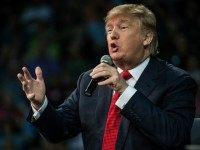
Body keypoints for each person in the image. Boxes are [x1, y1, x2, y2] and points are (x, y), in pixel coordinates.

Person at [17, 4, 197, 150]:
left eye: (123, 27)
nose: (113, 34)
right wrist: (40, 104)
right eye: (109, 29)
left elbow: (175, 137)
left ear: (147, 37)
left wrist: (124, 90)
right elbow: (58, 132)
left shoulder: (176, 81)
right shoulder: (90, 80)